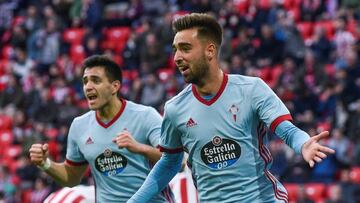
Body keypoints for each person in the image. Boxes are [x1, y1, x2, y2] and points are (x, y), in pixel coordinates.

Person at [128, 13, 335, 202]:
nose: (177, 57)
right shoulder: (174, 109)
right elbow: (169, 163)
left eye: (185, 48)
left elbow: (287, 131)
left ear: (210, 50)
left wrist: (303, 144)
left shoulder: (252, 89)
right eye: (175, 50)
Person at [29, 55, 174, 202]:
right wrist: (45, 163)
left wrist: (139, 148)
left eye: (96, 80)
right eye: (85, 81)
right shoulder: (79, 126)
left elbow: (178, 161)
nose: (88, 86)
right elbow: (71, 177)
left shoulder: (145, 116)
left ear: (114, 87)